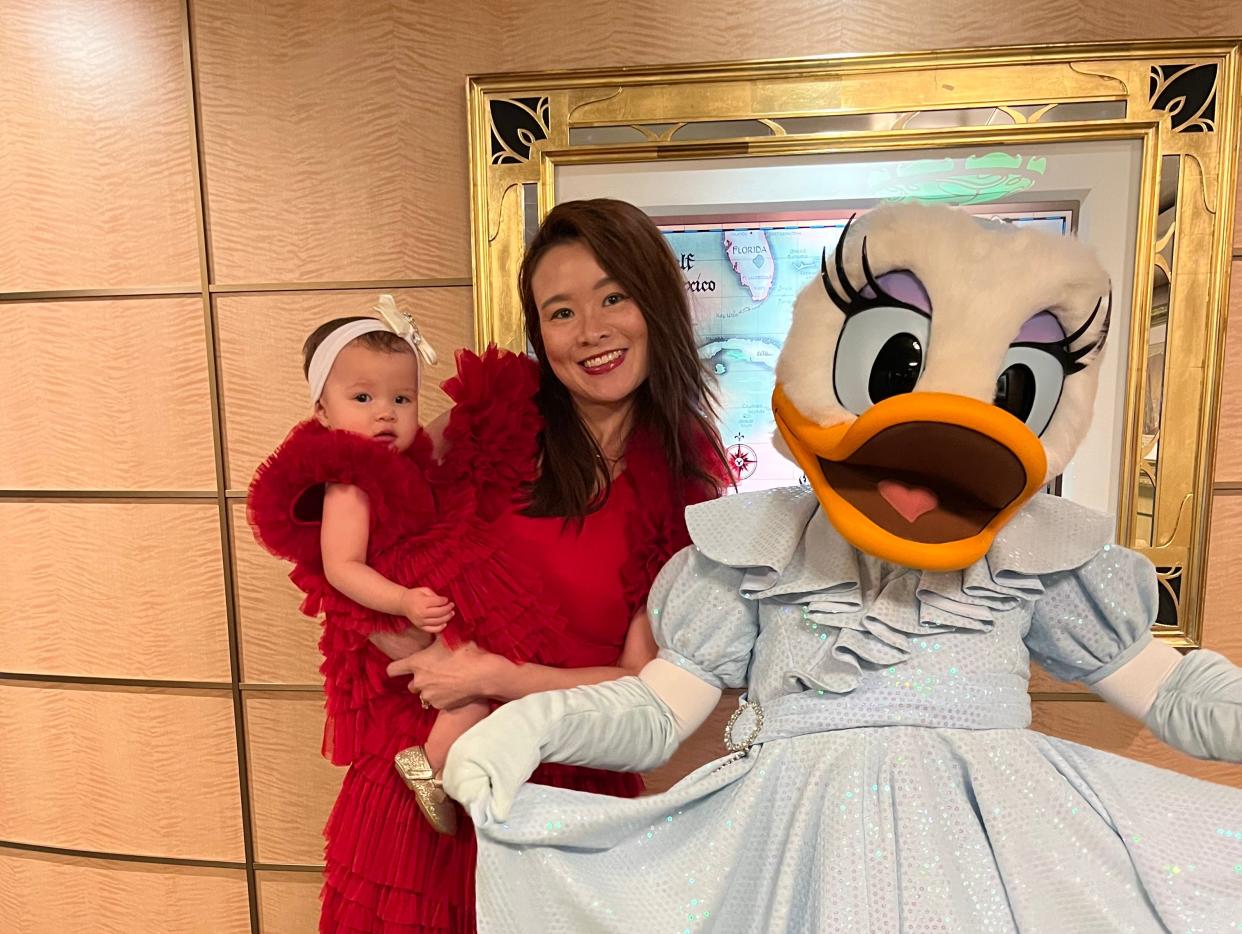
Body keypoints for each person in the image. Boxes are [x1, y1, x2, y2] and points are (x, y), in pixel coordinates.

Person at [443, 202, 1242, 932]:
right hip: (796, 857)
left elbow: (1170, 690)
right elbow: (655, 715)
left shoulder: (1035, 552)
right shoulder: (756, 544)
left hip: (997, 857)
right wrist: (531, 725)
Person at [255, 197, 731, 933]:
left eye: (614, 297)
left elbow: (644, 688)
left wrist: (493, 678)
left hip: (566, 789)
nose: (592, 330)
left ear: (656, 300)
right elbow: (356, 537)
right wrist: (416, 648)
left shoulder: (685, 483)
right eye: (561, 312)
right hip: (424, 781)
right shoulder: (493, 417)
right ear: (539, 330)